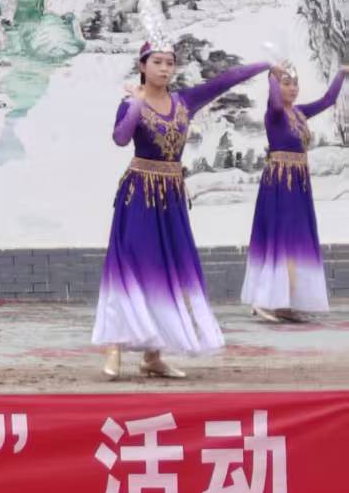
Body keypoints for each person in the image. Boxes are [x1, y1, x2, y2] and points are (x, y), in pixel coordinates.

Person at [95, 21, 267, 380]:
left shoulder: (184, 101)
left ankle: (152, 355)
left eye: (170, 63)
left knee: (166, 267)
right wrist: (136, 104)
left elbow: (226, 80)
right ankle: (114, 344)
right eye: (157, 62)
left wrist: (266, 64)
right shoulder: (130, 103)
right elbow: (120, 139)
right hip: (140, 193)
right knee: (132, 263)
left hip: (171, 197)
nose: (164, 69)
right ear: (142, 66)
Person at [243, 61, 347, 323]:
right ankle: (263, 299)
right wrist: (271, 76)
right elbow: (276, 103)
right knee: (281, 238)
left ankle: (285, 302)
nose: (293, 88)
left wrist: (341, 73)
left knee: (296, 240)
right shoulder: (274, 113)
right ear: (276, 87)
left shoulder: (299, 113)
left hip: (299, 183)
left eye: (295, 84)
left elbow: (328, 100)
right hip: (280, 182)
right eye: (286, 83)